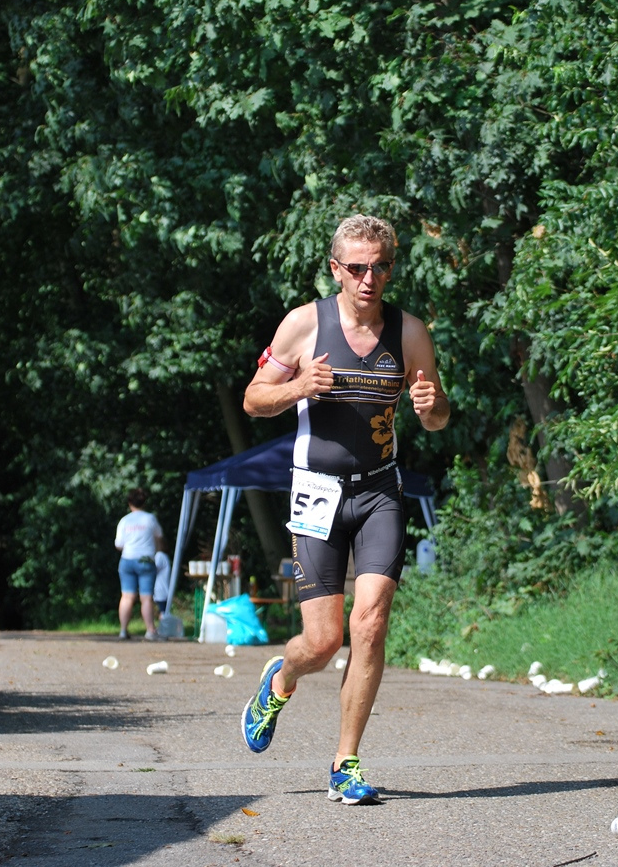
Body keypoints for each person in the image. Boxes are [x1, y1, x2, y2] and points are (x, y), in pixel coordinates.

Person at [240, 213, 450, 804]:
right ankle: (279, 681)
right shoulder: (304, 324)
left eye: (380, 267)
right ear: (336, 269)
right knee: (323, 641)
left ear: (391, 269)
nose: (368, 278)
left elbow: (437, 417)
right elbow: (254, 400)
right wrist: (298, 387)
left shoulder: (410, 332)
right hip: (317, 491)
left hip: (380, 490)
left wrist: (431, 406)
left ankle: (345, 763)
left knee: (371, 623)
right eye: (357, 268)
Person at [114, 488, 163, 640]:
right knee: (146, 597)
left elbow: (118, 544)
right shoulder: (150, 519)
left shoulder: (125, 521)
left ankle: (123, 630)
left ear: (130, 503)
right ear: (144, 502)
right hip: (146, 560)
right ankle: (150, 631)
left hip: (127, 560)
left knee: (127, 596)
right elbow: (159, 537)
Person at [153, 549, 172, 617]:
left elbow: (153, 568)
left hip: (160, 589)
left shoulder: (159, 555)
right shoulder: (162, 555)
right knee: (163, 611)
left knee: (163, 612)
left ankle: (164, 622)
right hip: (162, 588)